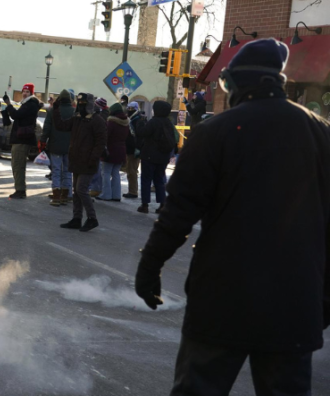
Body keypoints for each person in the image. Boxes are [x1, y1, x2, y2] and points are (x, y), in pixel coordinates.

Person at [135, 38, 330, 396]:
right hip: (295, 302)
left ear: (239, 83)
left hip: (222, 297)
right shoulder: (321, 133)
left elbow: (178, 214)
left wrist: (149, 268)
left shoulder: (214, 132)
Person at [59, 93, 106, 232]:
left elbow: (100, 142)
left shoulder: (97, 120)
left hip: (88, 162)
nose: (81, 106)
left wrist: (93, 158)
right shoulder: (77, 118)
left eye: (84, 103)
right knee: (76, 191)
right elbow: (62, 126)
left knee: (81, 190)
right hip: (76, 160)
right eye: (79, 103)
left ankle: (92, 218)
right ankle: (76, 218)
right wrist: (56, 108)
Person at [136, 101, 175, 213]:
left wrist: (141, 123)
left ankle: (145, 205)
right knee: (159, 180)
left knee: (146, 180)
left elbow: (142, 133)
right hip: (163, 156)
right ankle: (162, 204)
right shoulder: (168, 123)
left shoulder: (154, 122)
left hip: (149, 155)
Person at [3, 84, 39, 199]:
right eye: (23, 91)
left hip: (22, 139)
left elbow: (16, 115)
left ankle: (20, 190)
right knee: (16, 164)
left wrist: (9, 104)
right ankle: (19, 189)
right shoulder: (26, 104)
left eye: (27, 92)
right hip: (20, 138)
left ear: (31, 93)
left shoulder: (30, 104)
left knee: (18, 165)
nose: (24, 93)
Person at [41, 89, 74, 206]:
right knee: (67, 171)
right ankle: (65, 196)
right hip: (70, 147)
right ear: (70, 99)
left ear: (59, 99)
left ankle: (56, 197)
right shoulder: (74, 112)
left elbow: (47, 128)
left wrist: (43, 141)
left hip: (55, 145)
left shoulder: (53, 111)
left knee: (56, 171)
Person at [97, 103, 129, 202]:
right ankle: (116, 195)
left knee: (105, 172)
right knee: (116, 173)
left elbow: (106, 136)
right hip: (121, 150)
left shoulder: (111, 122)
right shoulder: (126, 123)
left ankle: (106, 194)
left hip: (110, 150)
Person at [123, 101, 144, 199]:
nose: (129, 110)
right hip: (131, 149)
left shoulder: (136, 120)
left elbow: (139, 136)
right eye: (128, 108)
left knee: (132, 171)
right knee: (130, 171)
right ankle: (131, 190)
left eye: (131, 109)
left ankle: (133, 191)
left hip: (134, 149)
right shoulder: (133, 119)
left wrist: (137, 148)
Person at [88, 97, 109, 197]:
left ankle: (96, 188)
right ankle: (96, 188)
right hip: (100, 144)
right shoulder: (105, 115)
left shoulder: (101, 117)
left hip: (98, 145)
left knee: (98, 168)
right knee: (98, 168)